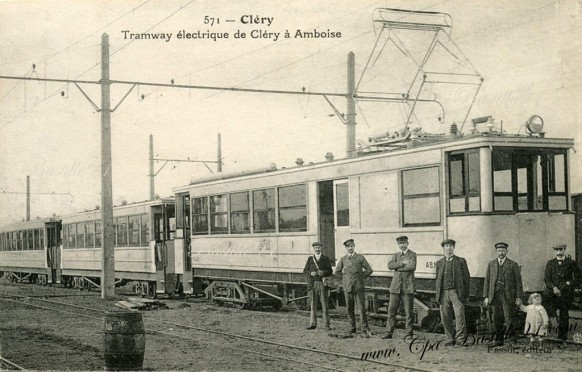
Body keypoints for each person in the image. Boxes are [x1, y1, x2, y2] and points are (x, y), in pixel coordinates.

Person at [483, 242, 523, 346]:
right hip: (495, 295)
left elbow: (518, 282)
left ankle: (512, 341)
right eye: (499, 251)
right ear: (496, 252)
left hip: (508, 296)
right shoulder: (491, 264)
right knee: (497, 319)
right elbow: (487, 281)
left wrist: (518, 297)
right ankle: (499, 340)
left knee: (509, 318)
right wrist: (486, 296)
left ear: (507, 252)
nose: (501, 253)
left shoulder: (513, 264)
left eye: (503, 251)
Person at [544, 243, 581, 349]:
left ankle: (562, 339)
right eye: (557, 250)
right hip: (552, 294)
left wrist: (568, 284)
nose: (559, 252)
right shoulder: (550, 263)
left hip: (565, 294)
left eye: (561, 250)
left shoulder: (571, 263)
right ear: (554, 251)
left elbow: (578, 278)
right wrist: (554, 288)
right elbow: (547, 279)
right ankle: (543, 335)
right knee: (547, 312)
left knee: (564, 316)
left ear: (564, 250)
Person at [435, 238, 470, 347]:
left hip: (457, 293)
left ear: (453, 248)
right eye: (446, 246)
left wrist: (465, 294)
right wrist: (439, 295)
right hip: (444, 293)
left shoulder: (461, 261)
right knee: (445, 317)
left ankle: (460, 339)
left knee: (459, 317)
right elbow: (437, 279)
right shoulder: (439, 263)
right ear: (443, 248)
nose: (448, 248)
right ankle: (449, 338)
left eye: (450, 246)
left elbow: (466, 279)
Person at [334, 239, 373, 336]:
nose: (350, 248)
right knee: (349, 308)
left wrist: (361, 278)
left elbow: (369, 270)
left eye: (351, 246)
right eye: (348, 246)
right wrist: (345, 280)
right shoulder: (343, 259)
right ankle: (352, 328)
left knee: (361, 308)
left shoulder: (360, 258)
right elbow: (337, 272)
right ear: (346, 248)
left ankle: (365, 328)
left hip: (358, 287)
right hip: (348, 287)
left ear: (354, 246)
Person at [384, 235, 416, 339]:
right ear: (398, 245)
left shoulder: (412, 254)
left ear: (407, 243)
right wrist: (402, 263)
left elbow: (412, 267)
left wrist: (397, 267)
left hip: (407, 287)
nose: (402, 245)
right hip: (395, 288)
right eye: (400, 244)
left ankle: (409, 334)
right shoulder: (396, 255)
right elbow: (389, 266)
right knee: (391, 311)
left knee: (408, 313)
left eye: (404, 243)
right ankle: (389, 332)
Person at [303, 241, 333, 331]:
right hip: (312, 284)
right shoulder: (310, 259)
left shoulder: (325, 258)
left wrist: (323, 272)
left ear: (321, 248)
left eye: (319, 247)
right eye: (316, 248)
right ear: (313, 249)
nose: (317, 249)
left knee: (325, 304)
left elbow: (330, 271)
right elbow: (305, 271)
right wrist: (310, 273)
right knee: (313, 304)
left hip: (322, 283)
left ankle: (326, 324)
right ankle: (313, 324)